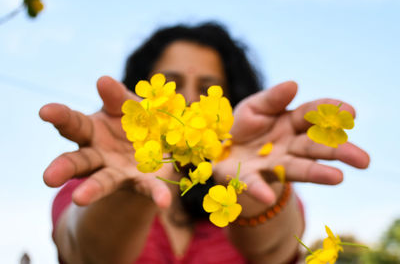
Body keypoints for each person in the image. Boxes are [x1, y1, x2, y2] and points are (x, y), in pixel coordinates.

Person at [39, 22, 370, 264]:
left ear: (233, 101)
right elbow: (86, 254)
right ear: (141, 95)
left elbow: (274, 252)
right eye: (170, 83)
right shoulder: (95, 181)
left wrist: (248, 188)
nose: (187, 98)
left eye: (208, 86)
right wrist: (130, 186)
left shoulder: (264, 186)